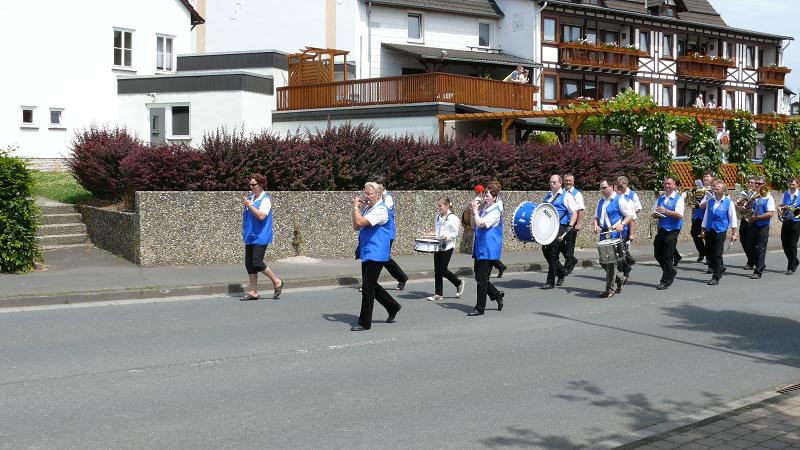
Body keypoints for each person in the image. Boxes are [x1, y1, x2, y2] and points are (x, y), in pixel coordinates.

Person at [351, 182, 402, 331]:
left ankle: (364, 322)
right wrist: (358, 208)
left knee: (367, 287)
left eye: (369, 193)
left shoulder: (381, 210)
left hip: (377, 253)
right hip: (367, 251)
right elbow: (356, 226)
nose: (365, 196)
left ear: (378, 194)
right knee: (371, 285)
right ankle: (393, 306)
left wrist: (355, 208)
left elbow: (360, 221)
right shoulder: (368, 207)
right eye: (365, 193)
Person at [240, 173, 283, 301]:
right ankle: (253, 292)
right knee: (249, 264)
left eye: (253, 184)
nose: (251, 186)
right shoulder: (251, 197)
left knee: (257, 262)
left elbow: (261, 216)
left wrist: (249, 205)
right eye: (250, 184)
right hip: (250, 235)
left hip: (261, 235)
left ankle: (277, 281)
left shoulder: (265, 200)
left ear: (261, 185)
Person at [468, 180, 504, 316]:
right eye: (485, 195)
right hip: (480, 248)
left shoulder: (495, 212)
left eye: (488, 195)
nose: (485, 197)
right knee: (479, 277)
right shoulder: (483, 210)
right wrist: (473, 212)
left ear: (494, 197)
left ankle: (479, 308)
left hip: (489, 250)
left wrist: (476, 211)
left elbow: (482, 224)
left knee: (482, 278)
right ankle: (497, 295)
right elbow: (473, 225)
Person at [594, 179, 635, 298]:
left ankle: (609, 290)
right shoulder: (600, 202)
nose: (602, 190)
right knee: (602, 262)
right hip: (604, 235)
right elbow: (596, 217)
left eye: (604, 188)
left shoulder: (619, 200)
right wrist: (595, 225)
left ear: (611, 187)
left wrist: (622, 224)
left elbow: (629, 215)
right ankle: (621, 278)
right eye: (600, 188)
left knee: (611, 263)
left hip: (615, 235)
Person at [541, 174, 579, 289]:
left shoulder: (566, 196)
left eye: (554, 182)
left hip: (560, 226)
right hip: (548, 227)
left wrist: (570, 226)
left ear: (560, 183)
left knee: (553, 254)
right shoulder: (547, 196)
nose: (551, 184)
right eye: (550, 182)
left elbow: (574, 212)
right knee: (545, 251)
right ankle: (562, 272)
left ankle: (550, 282)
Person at [374, 176, 409, 290]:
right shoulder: (377, 196)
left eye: (376, 186)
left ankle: (401, 277)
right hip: (379, 232)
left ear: (382, 186)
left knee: (381, 257)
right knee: (380, 257)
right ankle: (402, 277)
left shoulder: (387, 198)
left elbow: (381, 210)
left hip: (387, 233)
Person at [427, 196, 464, 301]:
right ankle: (438, 293)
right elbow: (438, 231)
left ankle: (458, 283)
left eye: (440, 205)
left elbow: (455, 233)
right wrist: (433, 234)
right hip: (438, 245)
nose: (439, 207)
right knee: (437, 270)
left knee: (443, 269)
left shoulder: (453, 218)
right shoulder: (438, 216)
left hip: (448, 246)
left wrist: (447, 237)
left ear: (447, 206)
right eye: (438, 205)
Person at [701, 180, 738, 285]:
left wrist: (734, 233)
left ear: (723, 191)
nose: (715, 190)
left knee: (717, 254)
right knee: (709, 253)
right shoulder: (710, 201)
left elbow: (733, 219)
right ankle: (720, 268)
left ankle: (715, 277)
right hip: (710, 229)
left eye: (717, 189)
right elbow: (706, 216)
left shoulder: (728, 203)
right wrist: (703, 228)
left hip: (720, 230)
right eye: (714, 188)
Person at [652, 177, 685, 290]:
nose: (667, 186)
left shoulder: (678, 198)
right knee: (657, 253)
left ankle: (665, 280)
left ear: (675, 186)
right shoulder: (661, 197)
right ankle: (670, 271)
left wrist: (665, 211)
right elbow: (654, 211)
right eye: (665, 183)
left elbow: (679, 214)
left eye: (669, 184)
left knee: (668, 255)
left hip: (673, 229)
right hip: (662, 228)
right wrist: (656, 214)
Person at [746, 176, 775, 279]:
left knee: (761, 248)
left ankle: (758, 271)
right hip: (753, 224)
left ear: (765, 185)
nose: (757, 185)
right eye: (756, 183)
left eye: (759, 184)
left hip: (763, 226)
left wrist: (756, 218)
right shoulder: (754, 196)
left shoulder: (768, 197)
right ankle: (760, 264)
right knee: (750, 246)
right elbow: (749, 209)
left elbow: (770, 213)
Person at [561, 174, 586, 274]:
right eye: (566, 180)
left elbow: (581, 210)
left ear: (573, 182)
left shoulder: (577, 194)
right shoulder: (561, 192)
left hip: (572, 222)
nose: (568, 182)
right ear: (563, 181)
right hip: (562, 223)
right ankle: (573, 260)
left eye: (570, 181)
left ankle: (567, 267)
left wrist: (578, 223)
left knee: (570, 246)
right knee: (560, 244)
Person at [617, 176, 642, 267]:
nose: (619, 188)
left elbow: (638, 208)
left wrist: (628, 211)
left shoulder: (632, 195)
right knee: (621, 247)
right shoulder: (617, 195)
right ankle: (629, 260)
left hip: (627, 224)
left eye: (621, 186)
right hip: (619, 224)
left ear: (626, 184)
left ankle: (625, 265)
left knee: (622, 246)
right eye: (618, 186)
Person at [691, 172, 715, 264]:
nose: (705, 178)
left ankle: (709, 257)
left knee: (707, 236)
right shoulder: (698, 189)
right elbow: (694, 203)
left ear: (712, 178)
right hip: (697, 215)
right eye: (704, 177)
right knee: (694, 233)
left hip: (707, 215)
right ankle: (702, 252)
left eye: (707, 177)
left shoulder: (713, 189)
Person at [779, 177, 800, 275]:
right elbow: (780, 205)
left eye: (793, 184)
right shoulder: (785, 194)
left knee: (792, 244)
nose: (791, 186)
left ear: (797, 185)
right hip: (786, 221)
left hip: (796, 221)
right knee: (784, 243)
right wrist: (780, 209)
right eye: (790, 184)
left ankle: (791, 267)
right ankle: (795, 260)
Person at [738, 176, 758, 270]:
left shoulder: (758, 194)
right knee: (743, 240)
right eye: (749, 182)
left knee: (751, 241)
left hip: (753, 219)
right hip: (744, 218)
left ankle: (751, 261)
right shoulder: (744, 193)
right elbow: (739, 203)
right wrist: (739, 206)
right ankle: (751, 259)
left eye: (752, 183)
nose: (750, 184)